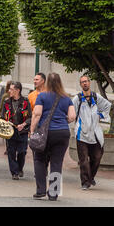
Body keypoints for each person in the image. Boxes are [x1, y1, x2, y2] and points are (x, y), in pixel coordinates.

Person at [31, 72, 76, 201]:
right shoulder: (66, 98)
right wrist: (62, 121)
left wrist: (32, 130)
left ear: (47, 83)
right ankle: (53, 193)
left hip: (46, 133)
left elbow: (37, 114)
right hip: (62, 133)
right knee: (57, 162)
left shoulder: (42, 96)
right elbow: (72, 116)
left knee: (39, 159)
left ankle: (40, 191)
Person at [72, 75, 111, 190]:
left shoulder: (96, 97)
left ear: (89, 83)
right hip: (81, 134)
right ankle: (85, 182)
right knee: (83, 160)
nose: (85, 83)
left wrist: (101, 115)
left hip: (95, 134)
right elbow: (71, 113)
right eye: (82, 82)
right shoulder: (77, 99)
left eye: (86, 81)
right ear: (80, 85)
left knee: (97, 157)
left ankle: (90, 177)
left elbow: (107, 106)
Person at [0, 81, 32, 180]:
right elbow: (2, 116)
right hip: (10, 131)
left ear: (17, 90)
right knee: (11, 151)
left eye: (11, 89)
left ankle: (20, 168)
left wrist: (23, 124)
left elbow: (30, 117)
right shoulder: (6, 102)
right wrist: (4, 124)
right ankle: (14, 172)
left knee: (22, 151)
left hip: (23, 131)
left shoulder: (25, 102)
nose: (9, 91)